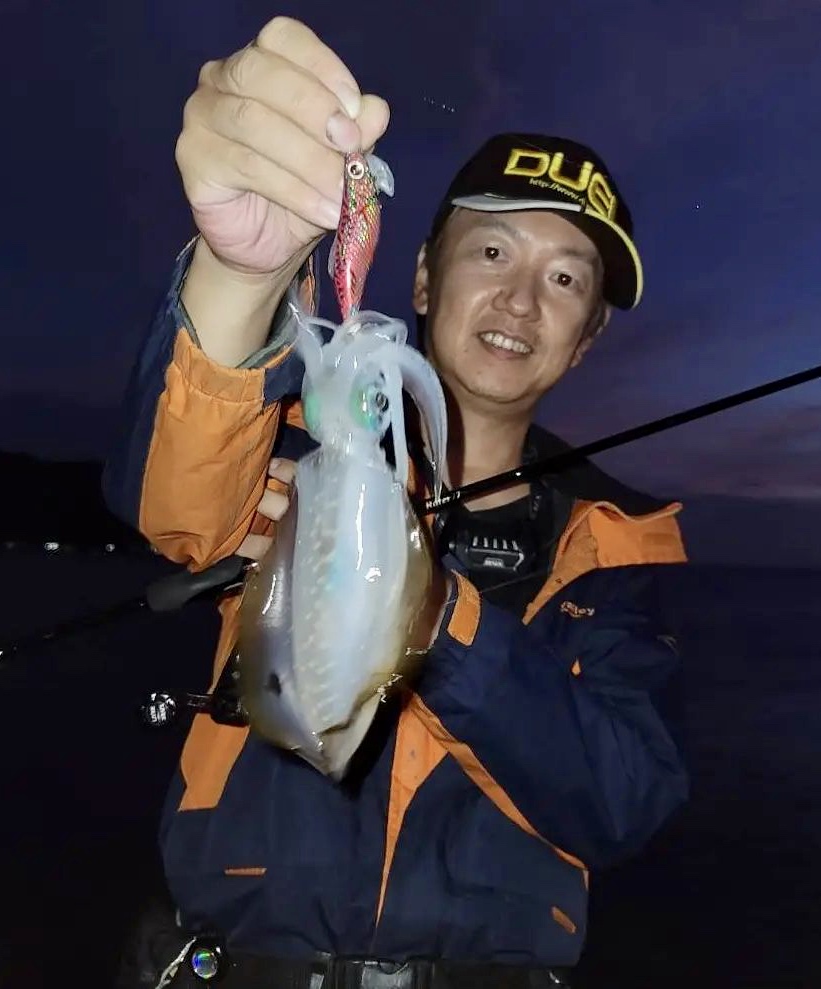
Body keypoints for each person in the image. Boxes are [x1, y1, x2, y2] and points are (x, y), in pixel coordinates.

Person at [103, 16, 690, 988]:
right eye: (491, 252)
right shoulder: (293, 448)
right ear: (421, 274)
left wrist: (428, 610)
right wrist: (242, 277)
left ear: (585, 337)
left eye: (564, 278)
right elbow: (177, 501)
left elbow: (626, 796)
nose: (520, 300)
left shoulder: (615, 546)